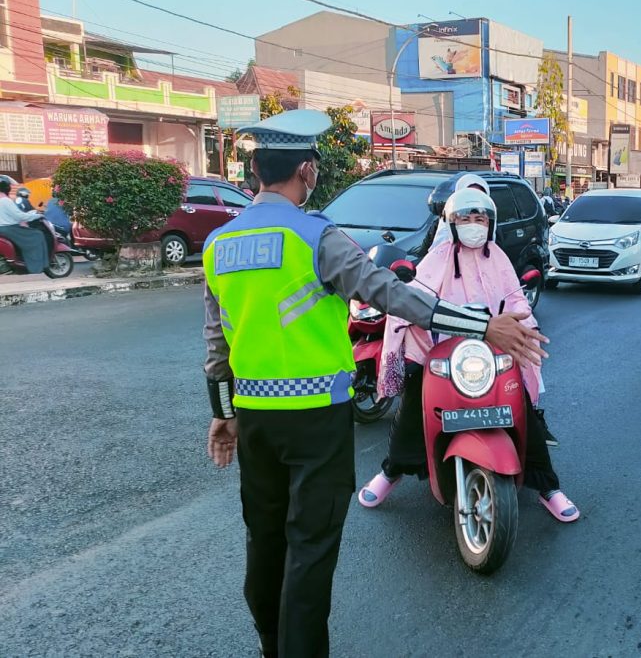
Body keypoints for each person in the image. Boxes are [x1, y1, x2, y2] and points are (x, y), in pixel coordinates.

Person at [200, 109, 548, 658]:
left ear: (253, 173)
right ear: (308, 172)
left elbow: (217, 346)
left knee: (264, 545)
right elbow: (393, 295)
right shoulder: (315, 236)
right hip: (316, 422)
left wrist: (223, 414)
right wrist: (484, 325)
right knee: (310, 551)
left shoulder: (219, 244)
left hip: (255, 420)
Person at [358, 188, 579, 522]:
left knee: (523, 408)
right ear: (452, 221)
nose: (474, 224)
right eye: (466, 218)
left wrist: (525, 324)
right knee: (414, 404)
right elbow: (415, 300)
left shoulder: (499, 259)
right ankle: (392, 471)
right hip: (442, 354)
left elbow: (516, 300)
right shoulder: (439, 257)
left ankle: (547, 485)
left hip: (491, 354)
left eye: (481, 218)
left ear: (489, 223)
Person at [428, 172, 489, 252]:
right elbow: (427, 255)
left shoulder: (491, 226)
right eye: (469, 195)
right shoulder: (443, 224)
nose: (474, 200)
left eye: (479, 195)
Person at [0, 179, 49, 275]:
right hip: (10, 228)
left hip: (4, 229)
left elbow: (18, 214)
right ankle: (35, 268)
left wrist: (33, 213)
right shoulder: (6, 201)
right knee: (37, 235)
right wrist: (38, 215)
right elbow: (20, 216)